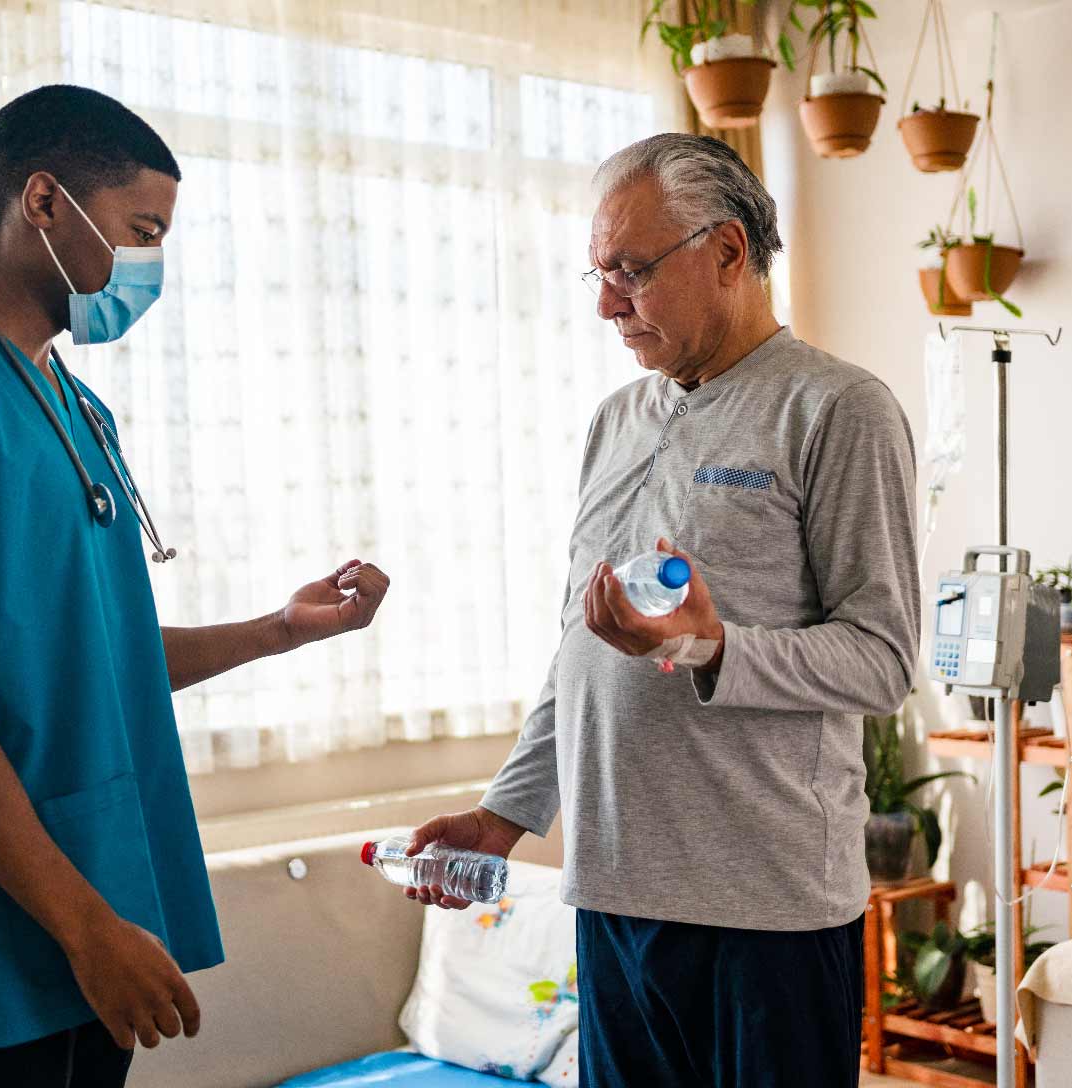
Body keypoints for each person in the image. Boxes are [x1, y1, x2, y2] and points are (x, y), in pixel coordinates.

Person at [0, 84, 390, 1088]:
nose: (150, 262)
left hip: (86, 912)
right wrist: (85, 924)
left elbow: (89, 660)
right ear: (42, 202)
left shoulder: (72, 404)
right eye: (140, 229)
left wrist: (277, 629)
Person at [405, 133, 919, 1087]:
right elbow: (580, 645)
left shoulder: (838, 409)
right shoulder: (615, 419)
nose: (606, 304)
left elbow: (883, 659)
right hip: (612, 894)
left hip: (767, 912)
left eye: (631, 272)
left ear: (727, 252)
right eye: (598, 275)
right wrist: (508, 813)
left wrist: (716, 647)